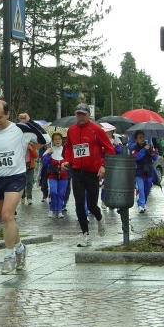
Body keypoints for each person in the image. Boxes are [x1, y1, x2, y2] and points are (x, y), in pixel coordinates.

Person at [0, 100, 50, 274]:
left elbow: (45, 139)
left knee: (7, 215)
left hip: (16, 177)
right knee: (7, 219)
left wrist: (30, 122)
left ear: (7, 114)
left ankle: (9, 256)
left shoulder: (20, 129)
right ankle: (20, 248)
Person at [61, 103, 115, 247]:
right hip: (77, 171)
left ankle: (99, 218)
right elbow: (69, 149)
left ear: (89, 115)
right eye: (79, 113)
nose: (81, 116)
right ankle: (85, 235)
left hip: (92, 172)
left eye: (84, 114)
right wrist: (66, 161)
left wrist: (103, 166)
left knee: (91, 205)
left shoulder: (96, 129)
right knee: (79, 204)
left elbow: (110, 149)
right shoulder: (71, 130)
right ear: (75, 115)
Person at [41, 132, 69, 219]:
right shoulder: (49, 150)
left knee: (61, 193)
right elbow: (44, 162)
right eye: (55, 139)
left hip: (64, 176)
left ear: (62, 140)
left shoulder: (66, 150)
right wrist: (49, 154)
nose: (57, 141)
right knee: (53, 192)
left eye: (59, 139)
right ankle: (52, 209)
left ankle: (59, 211)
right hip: (52, 175)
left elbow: (71, 161)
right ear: (53, 141)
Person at [131, 130, 158, 213]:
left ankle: (144, 203)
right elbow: (136, 157)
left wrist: (153, 154)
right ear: (136, 139)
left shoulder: (149, 146)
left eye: (143, 137)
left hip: (148, 170)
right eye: (140, 137)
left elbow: (155, 157)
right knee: (140, 188)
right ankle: (141, 205)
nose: (142, 139)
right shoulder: (134, 148)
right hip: (139, 170)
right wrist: (143, 149)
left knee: (147, 188)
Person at [99, 123, 123, 210]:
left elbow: (121, 152)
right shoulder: (101, 140)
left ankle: (112, 201)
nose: (109, 133)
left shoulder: (116, 139)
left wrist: (117, 145)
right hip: (103, 163)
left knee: (114, 183)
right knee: (105, 183)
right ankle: (104, 200)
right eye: (107, 131)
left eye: (110, 131)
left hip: (114, 163)